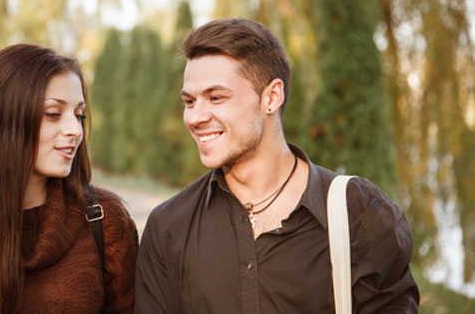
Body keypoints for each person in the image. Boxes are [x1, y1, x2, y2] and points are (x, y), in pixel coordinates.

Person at [135, 18, 419, 313]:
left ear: (272, 97)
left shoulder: (359, 215)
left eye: (216, 97)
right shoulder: (167, 228)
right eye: (190, 101)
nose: (194, 118)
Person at [0, 44, 138, 313]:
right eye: (53, 114)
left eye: (79, 115)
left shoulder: (105, 222)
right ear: (3, 118)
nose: (75, 130)